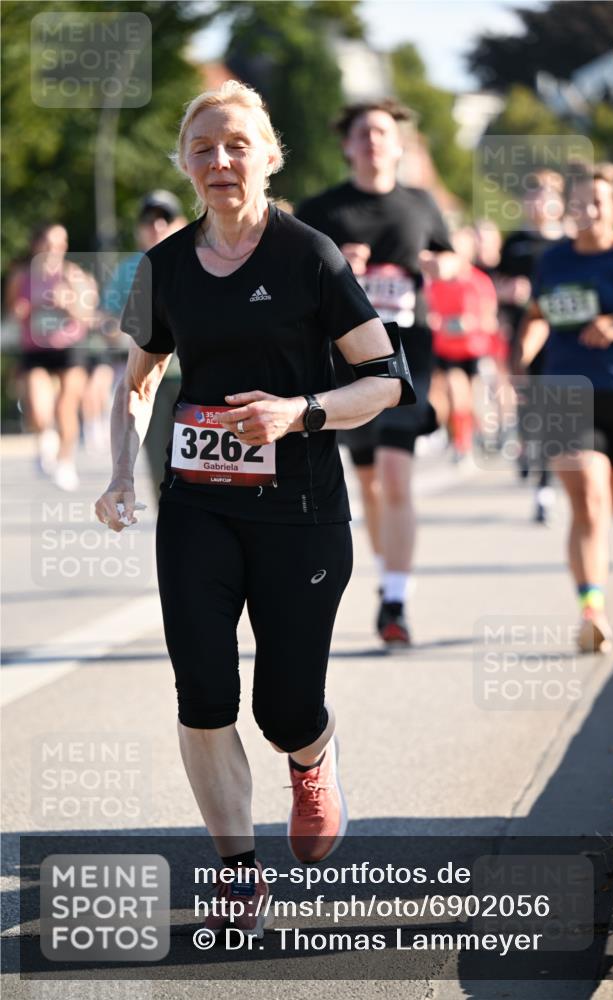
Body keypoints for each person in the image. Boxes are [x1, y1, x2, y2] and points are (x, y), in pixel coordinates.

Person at [94, 81, 413, 938]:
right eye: (203, 148)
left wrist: (299, 411)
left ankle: (311, 756)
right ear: (186, 165)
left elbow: (385, 380)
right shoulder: (161, 266)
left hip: (301, 509)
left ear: (267, 156)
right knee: (202, 689)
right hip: (197, 504)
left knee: (283, 708)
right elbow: (137, 383)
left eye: (235, 145)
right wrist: (123, 473)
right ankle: (237, 865)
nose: (219, 161)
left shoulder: (308, 256)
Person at [296, 99, 454, 649]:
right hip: (345, 361)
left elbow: (450, 259)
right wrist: (339, 267)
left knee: (393, 473)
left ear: (397, 143)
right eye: (363, 134)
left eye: (383, 133)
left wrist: (440, 267)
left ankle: (394, 599)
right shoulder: (321, 210)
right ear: (348, 146)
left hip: (408, 355)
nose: (373, 142)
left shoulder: (420, 204)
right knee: (366, 479)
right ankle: (390, 569)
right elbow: (296, 281)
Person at [518, 163, 613, 653]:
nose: (588, 211)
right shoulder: (554, 259)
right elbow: (540, 312)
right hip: (565, 389)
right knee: (587, 497)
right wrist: (523, 352)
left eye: (598, 202)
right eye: (579, 203)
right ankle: (592, 609)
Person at [100, 190, 187, 498]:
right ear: (139, 228)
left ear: (181, 222)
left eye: (165, 219)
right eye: (149, 221)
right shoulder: (129, 270)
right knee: (161, 466)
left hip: (196, 377)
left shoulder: (198, 261)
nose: (157, 227)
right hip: (152, 380)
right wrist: (133, 332)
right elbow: (108, 322)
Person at [497, 168, 568, 523]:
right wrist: (508, 289)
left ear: (559, 203)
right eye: (533, 195)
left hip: (560, 338)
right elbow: (493, 283)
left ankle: (545, 487)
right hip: (520, 336)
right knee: (529, 410)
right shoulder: (515, 242)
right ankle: (527, 447)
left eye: (547, 196)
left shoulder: (569, 243)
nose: (539, 202)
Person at [5, 223, 97, 491]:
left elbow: (87, 317)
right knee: (38, 405)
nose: (54, 250)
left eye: (60, 244)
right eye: (48, 244)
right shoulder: (21, 277)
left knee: (65, 407)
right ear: (36, 245)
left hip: (69, 350)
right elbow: (12, 312)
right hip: (35, 350)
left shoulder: (75, 276)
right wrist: (27, 308)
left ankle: (65, 462)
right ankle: (45, 437)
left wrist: (67, 304)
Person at [426, 226, 499, 460]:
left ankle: (487, 436)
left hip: (474, 350)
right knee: (456, 396)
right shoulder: (436, 284)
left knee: (475, 401)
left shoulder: (479, 282)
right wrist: (439, 323)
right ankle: (460, 442)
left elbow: (489, 319)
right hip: (447, 351)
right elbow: (430, 314)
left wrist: (469, 324)